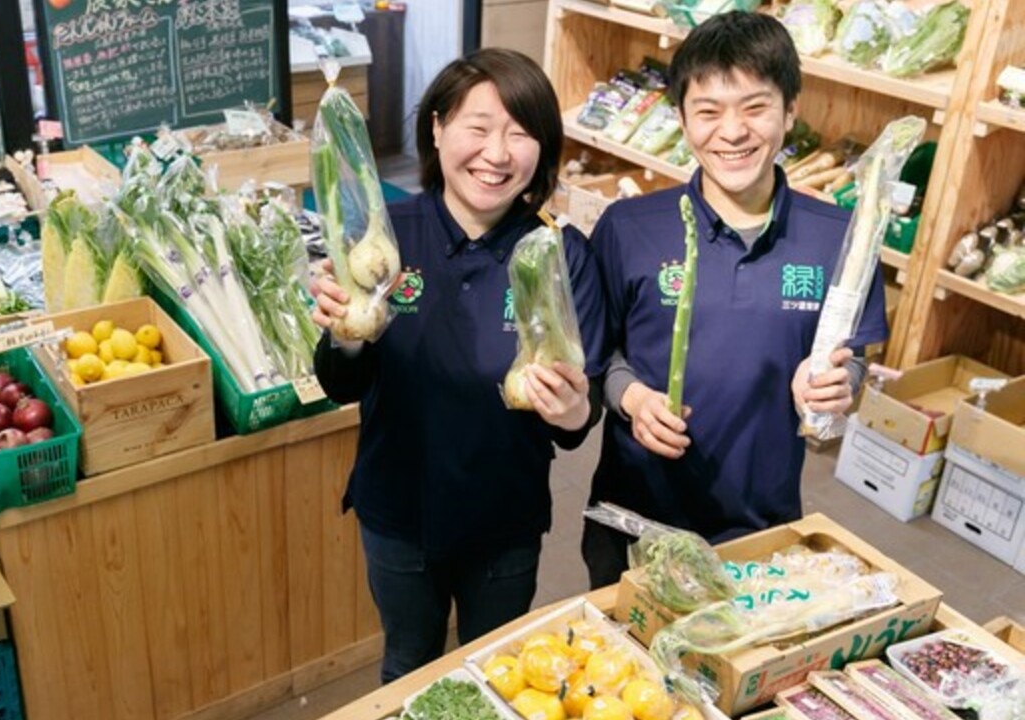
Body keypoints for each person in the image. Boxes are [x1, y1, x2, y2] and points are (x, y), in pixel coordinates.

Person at [311, 48, 606, 683]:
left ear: (543, 148)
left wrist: (574, 405)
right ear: (439, 128)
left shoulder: (557, 253)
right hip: (398, 511)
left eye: (520, 133)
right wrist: (347, 335)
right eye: (478, 127)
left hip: (504, 521)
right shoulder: (383, 236)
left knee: (500, 673)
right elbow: (342, 382)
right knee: (408, 662)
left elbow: (577, 420)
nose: (497, 154)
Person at [582, 12, 888, 588]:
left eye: (755, 107)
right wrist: (632, 398)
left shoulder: (841, 237)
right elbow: (598, 354)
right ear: (681, 119)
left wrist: (838, 388)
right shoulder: (630, 227)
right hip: (634, 516)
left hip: (760, 526)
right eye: (708, 111)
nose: (733, 132)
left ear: (790, 110)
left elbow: (856, 363)